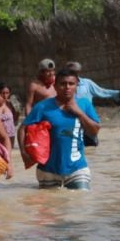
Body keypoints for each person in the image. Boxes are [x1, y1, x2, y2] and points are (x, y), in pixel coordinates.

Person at [19, 63, 100, 191]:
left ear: (76, 85)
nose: (67, 87)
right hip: (48, 170)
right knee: (51, 207)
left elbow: (95, 130)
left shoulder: (84, 105)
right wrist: (24, 153)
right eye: (62, 84)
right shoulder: (43, 107)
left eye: (71, 84)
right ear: (55, 86)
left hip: (77, 168)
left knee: (81, 203)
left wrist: (78, 112)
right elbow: (23, 128)